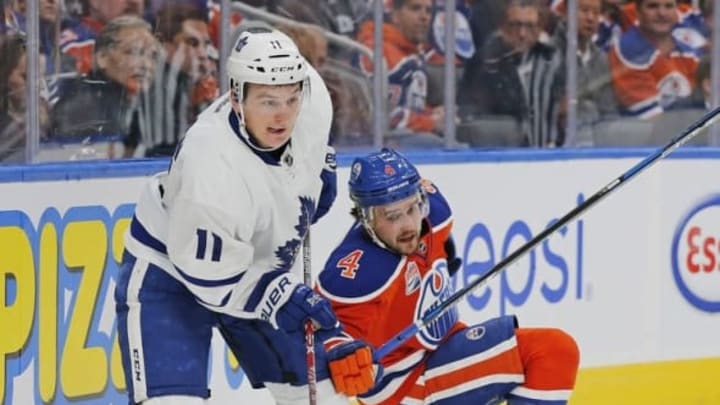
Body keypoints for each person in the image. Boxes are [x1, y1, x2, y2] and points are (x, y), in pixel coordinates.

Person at [114, 28, 377, 405]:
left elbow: (311, 145)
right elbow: (212, 280)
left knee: (326, 393)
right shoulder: (210, 168)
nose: (283, 114)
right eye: (268, 101)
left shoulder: (314, 97)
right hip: (172, 273)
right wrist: (277, 294)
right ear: (236, 98)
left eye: (291, 99)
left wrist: (317, 169)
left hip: (252, 264)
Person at [316, 148, 580, 404]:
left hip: (445, 347)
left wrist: (441, 256)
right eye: (392, 216)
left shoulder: (436, 212)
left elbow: (437, 235)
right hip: (405, 385)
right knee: (552, 351)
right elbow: (320, 335)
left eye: (411, 208)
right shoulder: (360, 274)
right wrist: (340, 351)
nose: (409, 225)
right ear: (366, 218)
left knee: (551, 351)